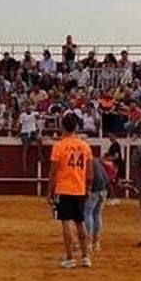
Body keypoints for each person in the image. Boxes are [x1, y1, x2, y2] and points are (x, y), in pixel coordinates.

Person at [49, 113, 93, 268]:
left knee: (66, 222)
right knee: (80, 222)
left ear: (62, 127)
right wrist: (87, 188)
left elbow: (53, 172)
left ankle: (70, 258)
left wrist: (50, 192)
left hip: (64, 188)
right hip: (79, 188)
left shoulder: (59, 146)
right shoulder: (85, 146)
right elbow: (90, 173)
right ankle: (86, 256)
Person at [83, 151, 110, 255]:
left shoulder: (86, 161)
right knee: (97, 214)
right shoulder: (97, 160)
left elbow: (89, 177)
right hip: (103, 189)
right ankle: (96, 242)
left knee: (87, 213)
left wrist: (87, 190)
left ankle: (88, 242)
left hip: (93, 190)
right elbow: (106, 177)